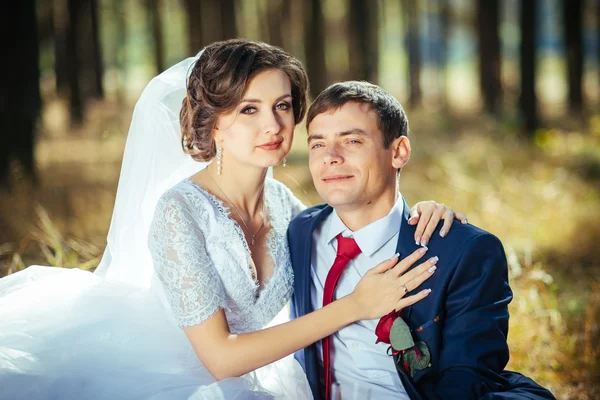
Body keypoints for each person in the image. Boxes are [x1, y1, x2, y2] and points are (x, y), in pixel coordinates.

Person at [0, 39, 464, 399]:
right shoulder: (180, 214)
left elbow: (362, 216)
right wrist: (357, 307)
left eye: (282, 106)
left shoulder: (288, 208)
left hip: (270, 374)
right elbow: (220, 359)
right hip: (184, 380)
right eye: (248, 109)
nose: (273, 125)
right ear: (213, 123)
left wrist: (420, 211)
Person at [288, 81, 556, 400]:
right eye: (318, 144)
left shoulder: (463, 250)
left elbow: (466, 379)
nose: (330, 157)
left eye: (352, 141)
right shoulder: (299, 231)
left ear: (398, 152)